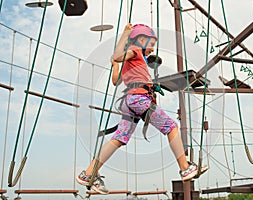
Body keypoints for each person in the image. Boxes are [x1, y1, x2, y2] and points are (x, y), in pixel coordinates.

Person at [76, 23, 208, 194]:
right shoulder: (135, 51)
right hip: (139, 99)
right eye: (151, 44)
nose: (152, 49)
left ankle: (89, 173)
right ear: (141, 39)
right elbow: (117, 55)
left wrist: (148, 83)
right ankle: (185, 167)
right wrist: (125, 34)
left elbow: (116, 80)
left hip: (130, 101)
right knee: (171, 127)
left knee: (119, 138)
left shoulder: (132, 62)